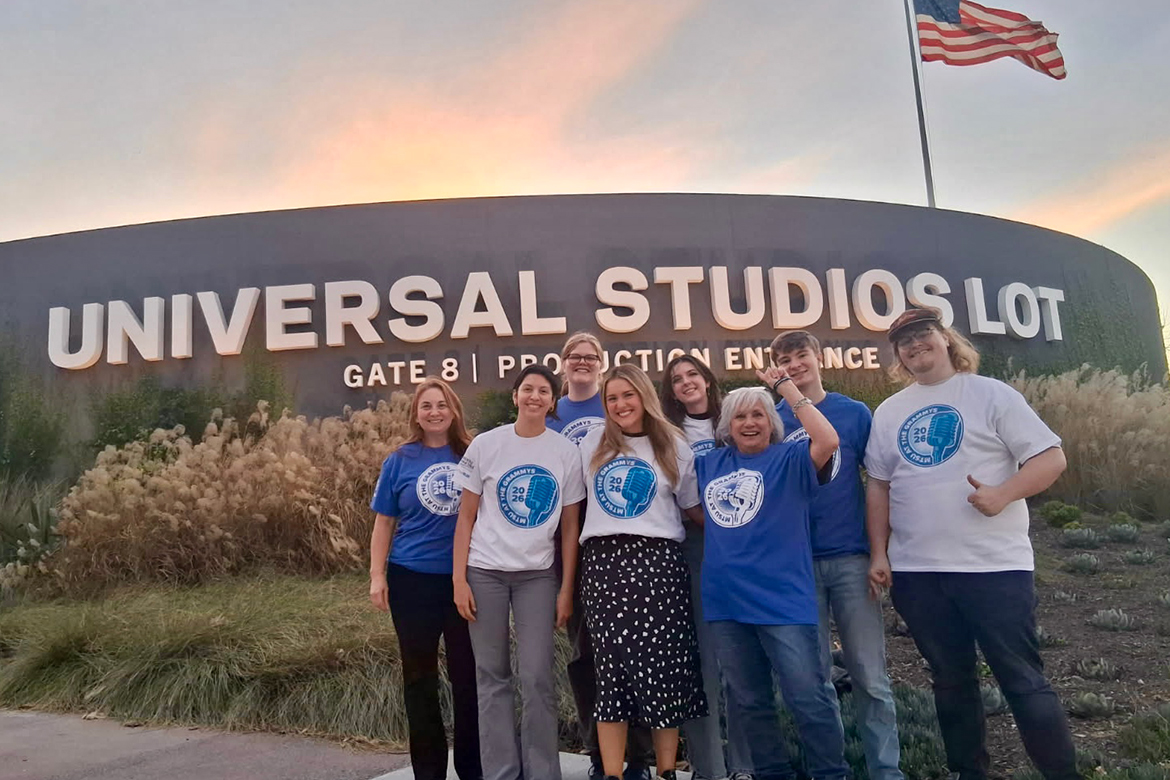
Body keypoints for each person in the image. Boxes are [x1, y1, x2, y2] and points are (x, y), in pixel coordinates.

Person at [865, 307, 1077, 780]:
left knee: (1022, 680)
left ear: (946, 340)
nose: (916, 346)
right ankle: (969, 772)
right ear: (898, 355)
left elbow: (1050, 458)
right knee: (950, 682)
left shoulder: (991, 394)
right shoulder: (890, 411)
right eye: (905, 342)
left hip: (994, 569)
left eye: (924, 336)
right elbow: (878, 485)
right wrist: (880, 552)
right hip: (919, 573)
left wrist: (1004, 494)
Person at [764, 331, 903, 780]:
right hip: (797, 567)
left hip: (850, 559)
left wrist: (879, 552)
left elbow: (878, 482)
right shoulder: (771, 419)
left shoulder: (854, 413)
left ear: (818, 356)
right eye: (783, 360)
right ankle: (831, 768)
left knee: (869, 675)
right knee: (815, 679)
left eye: (800, 354)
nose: (794, 364)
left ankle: (886, 771)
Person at [695, 385, 849, 780]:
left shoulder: (792, 458)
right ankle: (772, 773)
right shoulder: (709, 464)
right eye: (740, 416)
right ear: (727, 425)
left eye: (758, 415)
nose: (749, 423)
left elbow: (829, 439)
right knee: (749, 701)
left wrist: (787, 390)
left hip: (783, 599)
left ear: (772, 422)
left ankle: (831, 773)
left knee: (808, 697)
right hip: (726, 600)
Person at [452, 364, 586, 780]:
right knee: (491, 677)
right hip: (484, 572)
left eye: (543, 391)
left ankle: (543, 771)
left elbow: (569, 527)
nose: (534, 397)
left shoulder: (564, 451)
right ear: (515, 396)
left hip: (537, 576)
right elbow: (466, 517)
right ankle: (502, 771)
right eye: (527, 389)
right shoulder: (487, 444)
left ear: (553, 400)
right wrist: (459, 580)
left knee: (537, 675)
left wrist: (566, 589)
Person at [579, 364, 708, 780]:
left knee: (663, 671)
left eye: (627, 395)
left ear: (644, 397)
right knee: (611, 674)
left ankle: (666, 770)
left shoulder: (674, 443)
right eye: (612, 398)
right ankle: (614, 774)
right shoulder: (591, 443)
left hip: (658, 566)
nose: (620, 405)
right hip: (605, 565)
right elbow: (569, 508)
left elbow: (694, 510)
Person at [552, 332, 654, 780]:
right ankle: (600, 754)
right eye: (575, 357)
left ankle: (639, 757)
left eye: (590, 357)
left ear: (602, 364)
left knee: (638, 653)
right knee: (586, 654)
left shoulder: (616, 406)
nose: (582, 363)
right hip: (566, 546)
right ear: (562, 363)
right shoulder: (549, 411)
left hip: (626, 544)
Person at [369, 378, 482, 780]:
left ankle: (473, 768)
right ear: (416, 414)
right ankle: (429, 772)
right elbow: (385, 521)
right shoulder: (400, 460)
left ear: (454, 411)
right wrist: (377, 575)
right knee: (419, 680)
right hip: (411, 580)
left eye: (441, 405)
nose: (434, 412)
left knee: (469, 678)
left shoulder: (473, 454)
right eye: (426, 406)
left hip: (464, 583)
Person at [659, 355, 744, 780]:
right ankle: (710, 767)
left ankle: (746, 765)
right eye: (677, 379)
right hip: (695, 548)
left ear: (708, 380)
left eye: (693, 374)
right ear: (671, 391)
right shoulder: (669, 433)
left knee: (742, 659)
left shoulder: (736, 420)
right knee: (701, 662)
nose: (687, 382)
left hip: (745, 550)